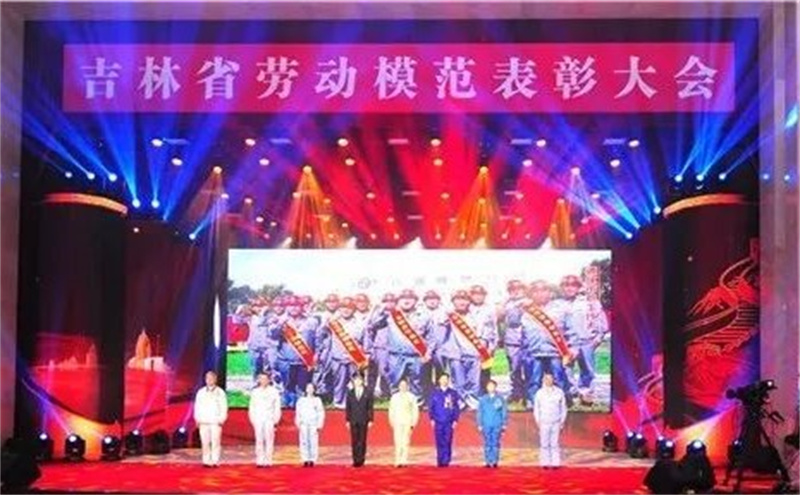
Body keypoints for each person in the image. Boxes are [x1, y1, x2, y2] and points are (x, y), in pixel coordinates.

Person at [368, 289, 435, 396]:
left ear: (416, 301)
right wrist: (382, 309)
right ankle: (397, 402)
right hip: (396, 356)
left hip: (416, 356)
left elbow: (431, 337)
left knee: (417, 383)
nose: (406, 301)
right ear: (398, 301)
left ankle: (416, 402)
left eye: (410, 298)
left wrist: (428, 353)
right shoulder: (391, 315)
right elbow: (373, 324)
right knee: (395, 382)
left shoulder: (424, 316)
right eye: (403, 298)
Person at [521, 280, 572, 408]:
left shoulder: (560, 308)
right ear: (531, 294)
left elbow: (569, 328)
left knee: (559, 378)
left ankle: (561, 402)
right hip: (534, 350)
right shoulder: (526, 309)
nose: (540, 293)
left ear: (550, 292)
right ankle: (533, 402)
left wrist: (572, 347)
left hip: (555, 351)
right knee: (534, 379)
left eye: (544, 290)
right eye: (536, 291)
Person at [318, 297, 368, 408]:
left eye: (349, 308)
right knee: (339, 382)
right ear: (339, 309)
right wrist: (326, 323)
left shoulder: (359, 324)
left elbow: (364, 341)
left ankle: (355, 403)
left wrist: (365, 356)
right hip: (338, 358)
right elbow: (321, 334)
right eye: (343, 307)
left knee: (356, 383)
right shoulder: (333, 323)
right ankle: (338, 403)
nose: (346, 310)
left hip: (354, 359)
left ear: (353, 309)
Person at [193, 370, 228, 467]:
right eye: (208, 378)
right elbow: (197, 406)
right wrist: (197, 419)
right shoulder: (201, 392)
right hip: (203, 421)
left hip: (215, 421)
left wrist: (222, 419)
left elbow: (224, 406)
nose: (209, 380)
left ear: (215, 380)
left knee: (215, 442)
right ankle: (206, 460)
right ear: (205, 380)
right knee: (205, 442)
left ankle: (215, 460)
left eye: (211, 378)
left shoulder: (220, 392)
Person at [533, 372, 567, 469]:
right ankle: (545, 463)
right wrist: (538, 421)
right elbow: (536, 409)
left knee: (554, 443)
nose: (548, 380)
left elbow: (563, 408)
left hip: (556, 421)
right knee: (544, 444)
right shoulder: (539, 393)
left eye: (550, 378)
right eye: (546, 379)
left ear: (553, 380)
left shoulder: (559, 392)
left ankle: (555, 463)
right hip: (544, 422)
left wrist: (562, 421)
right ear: (543, 380)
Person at [248, 372, 282, 467]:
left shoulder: (274, 391)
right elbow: (252, 407)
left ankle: (268, 460)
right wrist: (253, 419)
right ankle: (260, 460)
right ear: (259, 380)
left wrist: (276, 420)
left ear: (268, 380)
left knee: (269, 439)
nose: (263, 381)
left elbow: (277, 406)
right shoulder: (255, 392)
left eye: (265, 379)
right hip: (258, 418)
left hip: (269, 418)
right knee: (259, 439)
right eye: (261, 379)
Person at [429, 373, 460, 467]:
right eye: (442, 379)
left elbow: (456, 408)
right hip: (438, 421)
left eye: (446, 379)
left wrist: (455, 420)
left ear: (448, 381)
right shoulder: (434, 393)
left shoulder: (453, 393)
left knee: (447, 441)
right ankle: (440, 460)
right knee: (439, 441)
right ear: (439, 380)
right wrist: (432, 419)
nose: (444, 381)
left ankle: (446, 460)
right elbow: (431, 408)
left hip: (449, 421)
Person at [388, 377, 419, 467]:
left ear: (408, 386)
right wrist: (391, 421)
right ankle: (397, 460)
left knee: (406, 441)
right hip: (397, 421)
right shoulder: (394, 397)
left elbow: (415, 411)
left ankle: (404, 460)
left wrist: (413, 422)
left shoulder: (412, 397)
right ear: (398, 386)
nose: (403, 387)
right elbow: (391, 410)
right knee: (398, 441)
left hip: (407, 421)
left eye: (405, 385)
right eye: (401, 385)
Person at [345, 373, 374, 467]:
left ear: (362, 381)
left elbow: (370, 407)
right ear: (353, 381)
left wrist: (370, 419)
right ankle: (355, 460)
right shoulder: (350, 393)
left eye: (359, 380)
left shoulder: (367, 392)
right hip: (353, 420)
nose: (357, 381)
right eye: (356, 380)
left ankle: (361, 459)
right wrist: (347, 420)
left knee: (362, 440)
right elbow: (348, 407)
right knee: (354, 440)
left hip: (364, 419)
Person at [477, 379, 508, 468]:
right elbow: (480, 412)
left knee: (495, 443)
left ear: (495, 387)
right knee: (487, 443)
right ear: (487, 388)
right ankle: (487, 461)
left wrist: (504, 423)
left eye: (492, 386)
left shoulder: (500, 399)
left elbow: (504, 412)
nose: (491, 388)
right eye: (489, 386)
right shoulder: (483, 399)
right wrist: (479, 424)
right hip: (486, 424)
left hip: (497, 424)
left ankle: (494, 461)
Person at [295, 382, 325, 467]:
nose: (310, 390)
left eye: (311, 388)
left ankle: (312, 459)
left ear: (314, 390)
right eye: (308, 388)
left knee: (313, 441)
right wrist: (298, 422)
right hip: (304, 423)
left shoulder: (317, 400)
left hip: (313, 423)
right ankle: (305, 459)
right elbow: (298, 412)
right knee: (304, 441)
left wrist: (319, 424)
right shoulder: (301, 400)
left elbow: (320, 412)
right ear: (306, 389)